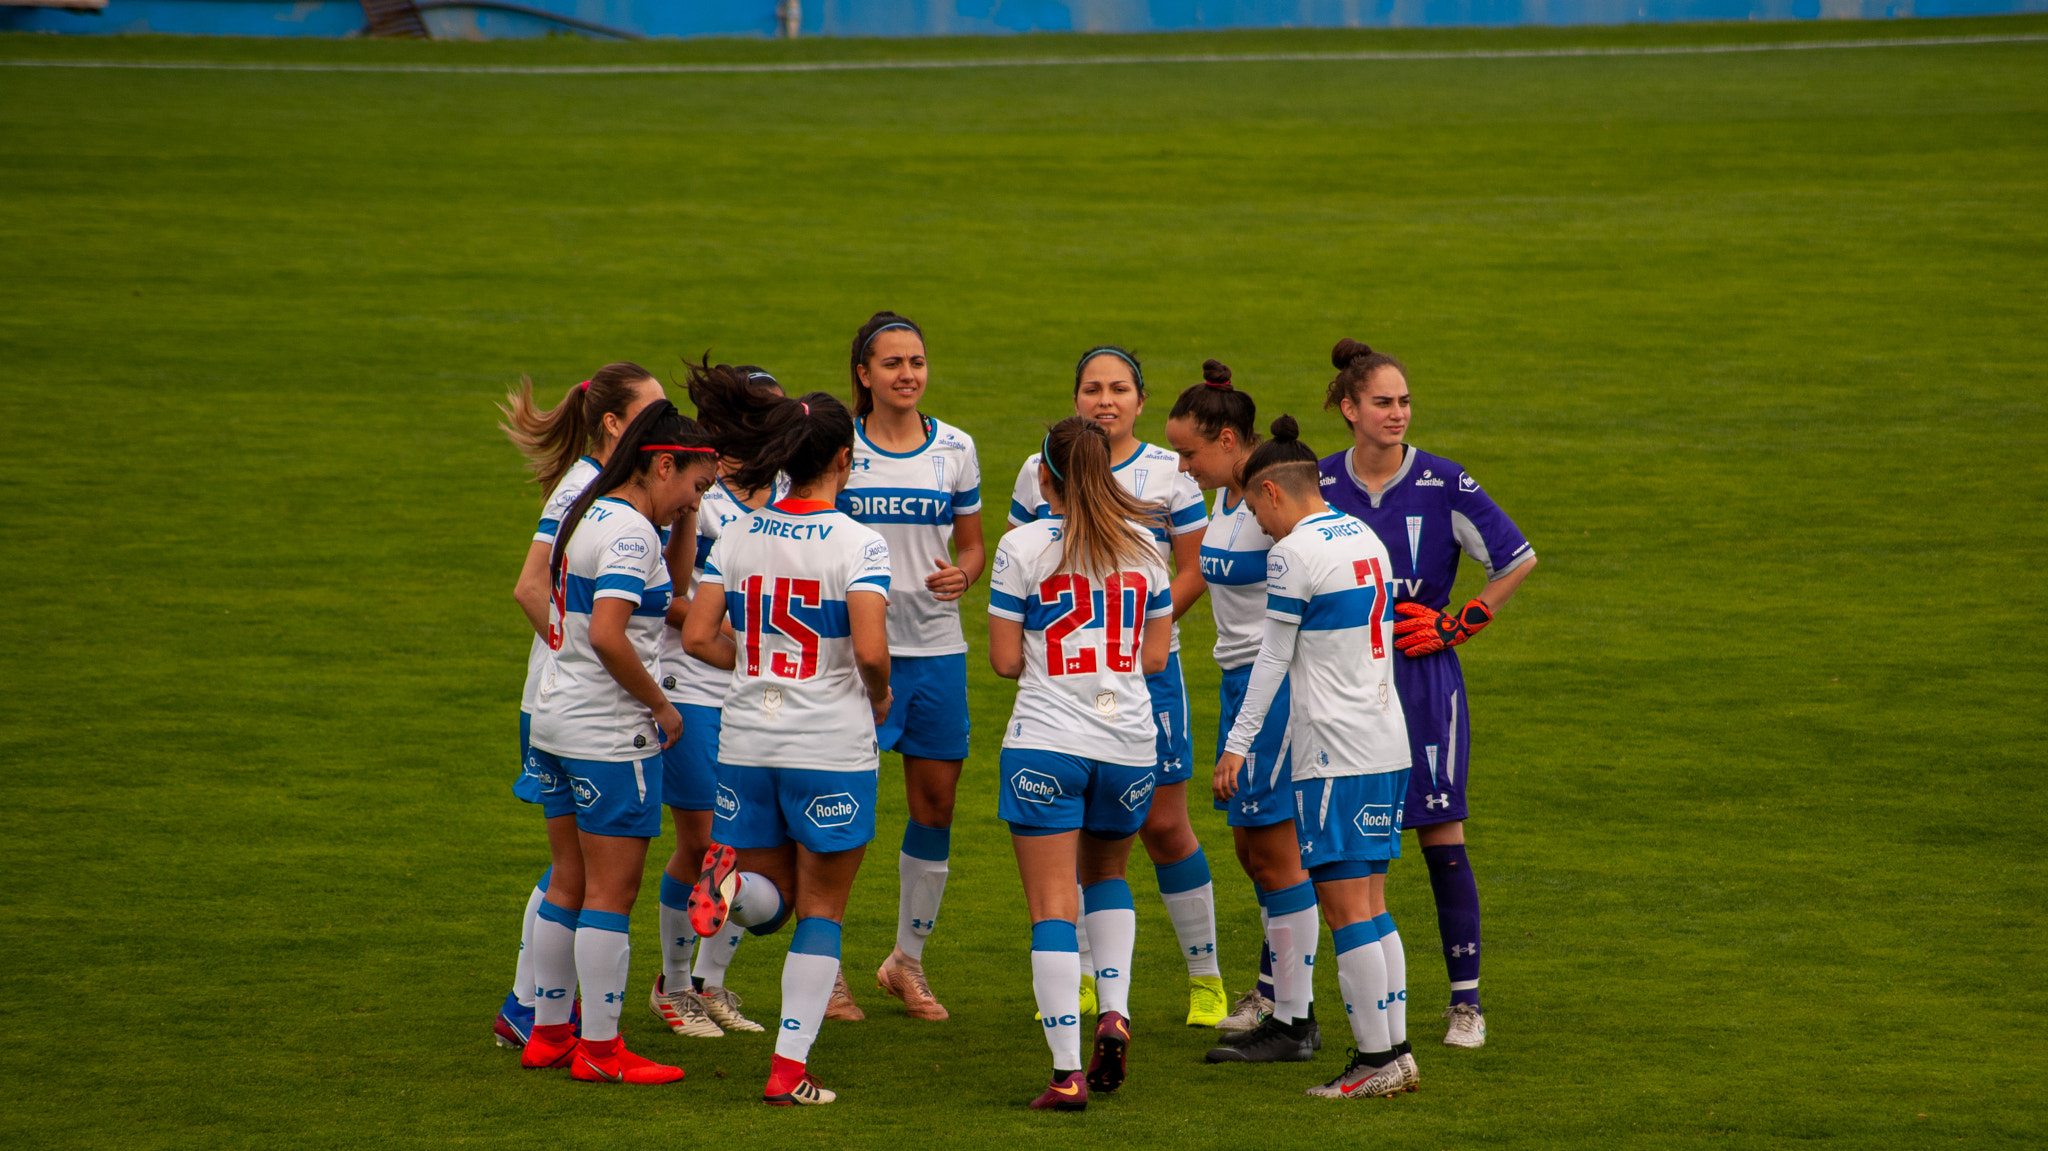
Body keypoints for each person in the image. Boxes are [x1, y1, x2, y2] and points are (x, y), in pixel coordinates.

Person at [1314, 339, 1538, 1050]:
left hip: (1420, 680)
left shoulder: (1444, 483)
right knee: (1326, 846)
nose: (1398, 413)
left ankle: (1465, 1004)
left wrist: (1462, 620)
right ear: (1349, 408)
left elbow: (1517, 557)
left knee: (1442, 837)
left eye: (1405, 401)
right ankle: (1281, 997)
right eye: (1382, 401)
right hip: (1341, 684)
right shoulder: (1316, 483)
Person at [680, 370, 893, 1107]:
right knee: (821, 911)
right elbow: (868, 650)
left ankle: (729, 883)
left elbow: (700, 633)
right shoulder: (859, 543)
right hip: (828, 745)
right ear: (844, 459)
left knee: (770, 897)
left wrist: (754, 661)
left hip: (746, 741)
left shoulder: (737, 533)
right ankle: (788, 1068)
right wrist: (881, 692)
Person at [1007, 346, 1227, 1027]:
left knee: (1165, 823)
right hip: (1083, 678)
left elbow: (1191, 568)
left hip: (1147, 673)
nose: (1106, 399)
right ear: (1075, 398)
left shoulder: (1170, 472)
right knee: (1071, 830)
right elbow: (1035, 567)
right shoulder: (1037, 469)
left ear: (1140, 399)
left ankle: (1206, 976)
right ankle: (1078, 980)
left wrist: (1127, 641)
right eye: (1093, 388)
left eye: (1120, 388)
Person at [1217, 416, 1417, 1099]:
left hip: (1335, 750)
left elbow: (1271, 656)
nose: (1259, 524)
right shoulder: (1365, 534)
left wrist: (1237, 744)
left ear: (1272, 491)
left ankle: (1373, 1061)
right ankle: (1397, 1050)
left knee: (1344, 909)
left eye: (1253, 508)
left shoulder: (1293, 552)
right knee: (1373, 902)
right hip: (1387, 740)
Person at [522, 400, 721, 1084]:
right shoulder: (633, 533)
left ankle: (548, 1033)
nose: (694, 502)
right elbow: (611, 631)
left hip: (553, 717)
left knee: (568, 881)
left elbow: (663, 585)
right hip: (608, 734)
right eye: (694, 487)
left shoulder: (592, 508)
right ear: (661, 463)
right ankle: (603, 1052)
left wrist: (686, 511)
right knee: (613, 889)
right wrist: (662, 706)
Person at [989, 416, 1174, 1112]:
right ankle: (1116, 1009)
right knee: (1109, 877)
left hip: (1046, 742)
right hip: (1128, 745)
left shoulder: (1020, 546)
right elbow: (1154, 659)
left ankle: (1067, 1070)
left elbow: (1007, 661)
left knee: (1051, 907)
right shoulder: (1148, 550)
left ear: (1045, 478)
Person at [493, 363, 665, 1050]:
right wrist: (581, 656)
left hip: (562, 700)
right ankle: (532, 1002)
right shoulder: (582, 490)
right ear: (616, 424)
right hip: (571, 706)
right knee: (581, 872)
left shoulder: (602, 486)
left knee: (574, 869)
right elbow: (531, 587)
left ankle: (534, 1008)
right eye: (651, 413)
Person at [1162, 361, 1324, 1062]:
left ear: (1229, 439)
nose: (1181, 464)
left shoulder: (1273, 498)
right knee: (1252, 849)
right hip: (1237, 682)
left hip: (1277, 687)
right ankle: (1279, 999)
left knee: (1278, 851)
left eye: (1190, 451)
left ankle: (1295, 1020)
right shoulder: (1230, 503)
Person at [838, 312, 986, 1022]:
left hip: (935, 654)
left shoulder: (955, 447)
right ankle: (826, 967)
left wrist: (964, 575)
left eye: (917, 361)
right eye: (892, 362)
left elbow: (973, 547)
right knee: (838, 814)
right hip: (849, 658)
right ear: (864, 373)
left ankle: (906, 961)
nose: (907, 374)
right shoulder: (839, 447)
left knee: (936, 808)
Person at [645, 367, 786, 1041]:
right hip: (694, 686)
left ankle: (708, 982)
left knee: (748, 852)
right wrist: (728, 630)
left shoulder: (791, 493)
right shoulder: (700, 498)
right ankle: (670, 987)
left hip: (763, 692)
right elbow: (667, 595)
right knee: (703, 842)